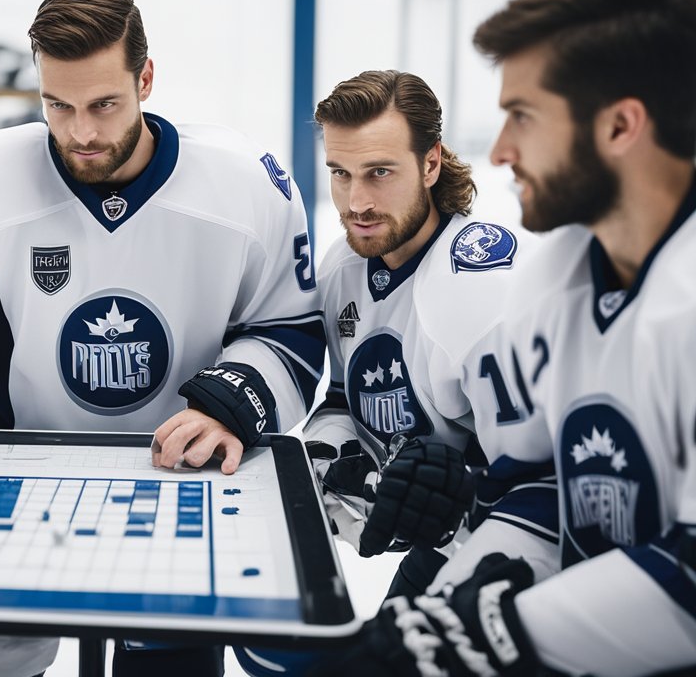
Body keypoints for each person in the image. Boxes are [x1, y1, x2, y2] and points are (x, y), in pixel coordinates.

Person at [0, 0, 326, 677]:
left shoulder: (245, 186)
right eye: (57, 106)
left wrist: (236, 401)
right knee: (0, 656)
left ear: (146, 78)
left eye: (105, 104)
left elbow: (290, 332)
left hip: (179, 477)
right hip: (14, 473)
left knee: (169, 664)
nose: (83, 133)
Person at [312, 0, 696, 677]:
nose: (498, 150)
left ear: (620, 125)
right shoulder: (562, 271)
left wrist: (482, 629)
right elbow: (535, 488)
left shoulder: (673, 301)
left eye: (524, 115)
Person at [235, 71, 558, 677]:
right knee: (272, 653)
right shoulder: (343, 268)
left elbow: (548, 482)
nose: (356, 202)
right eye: (341, 173)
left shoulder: (479, 287)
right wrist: (334, 459)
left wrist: (457, 493)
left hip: (524, 560)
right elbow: (341, 393)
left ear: (430, 164)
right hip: (443, 546)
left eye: (380, 172)